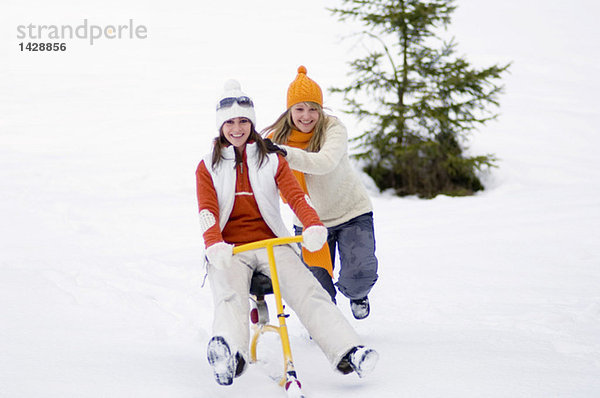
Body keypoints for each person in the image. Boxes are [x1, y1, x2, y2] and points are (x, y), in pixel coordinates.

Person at [195, 79, 378, 386]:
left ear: (251, 124)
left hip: (273, 243)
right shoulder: (207, 166)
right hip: (230, 249)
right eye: (230, 122)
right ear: (221, 126)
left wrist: (313, 224)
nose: (237, 128)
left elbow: (296, 196)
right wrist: (213, 243)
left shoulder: (271, 158)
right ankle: (229, 352)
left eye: (244, 121)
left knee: (308, 291)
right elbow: (206, 211)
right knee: (229, 296)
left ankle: (348, 350)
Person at [263, 66, 379, 320]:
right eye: (299, 109)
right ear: (289, 110)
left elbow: (324, 162)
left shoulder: (333, 129)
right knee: (318, 294)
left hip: (351, 213)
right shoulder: (274, 140)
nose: (307, 116)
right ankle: (329, 328)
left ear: (321, 109)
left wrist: (286, 154)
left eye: (313, 108)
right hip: (309, 222)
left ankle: (358, 294)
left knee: (359, 276)